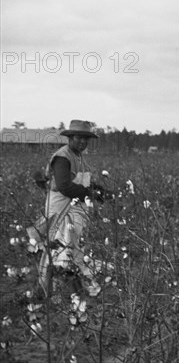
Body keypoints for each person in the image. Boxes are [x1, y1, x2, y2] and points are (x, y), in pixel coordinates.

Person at [32, 120, 104, 293]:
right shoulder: (63, 157)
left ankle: (71, 290)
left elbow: (79, 181)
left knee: (70, 248)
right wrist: (90, 194)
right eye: (79, 138)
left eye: (86, 139)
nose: (82, 142)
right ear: (70, 138)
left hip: (72, 208)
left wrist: (100, 190)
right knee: (57, 249)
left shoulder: (78, 156)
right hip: (60, 209)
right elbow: (65, 186)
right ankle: (46, 290)